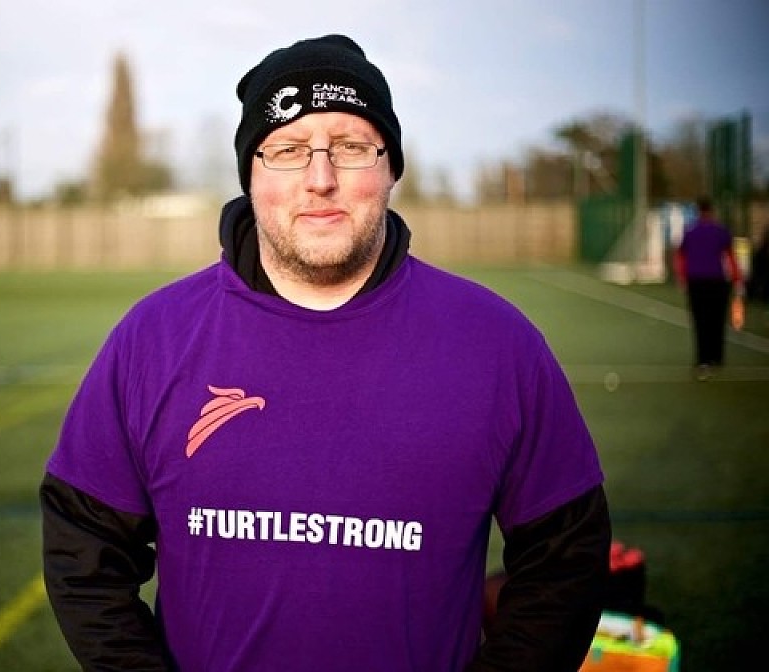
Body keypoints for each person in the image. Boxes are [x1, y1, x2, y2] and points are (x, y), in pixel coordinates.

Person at [41, 34, 611, 671]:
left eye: (351, 146)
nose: (320, 179)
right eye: (287, 150)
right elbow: (83, 549)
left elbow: (566, 558)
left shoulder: (498, 344)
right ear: (250, 174)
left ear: (391, 168)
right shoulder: (152, 339)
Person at [673, 196, 745, 379]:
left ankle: (702, 358)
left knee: (700, 320)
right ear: (712, 211)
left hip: (696, 281)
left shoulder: (690, 232)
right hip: (717, 281)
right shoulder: (721, 231)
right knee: (717, 320)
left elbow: (681, 256)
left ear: (698, 211)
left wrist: (682, 277)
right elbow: (730, 256)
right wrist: (737, 278)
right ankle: (716, 356)